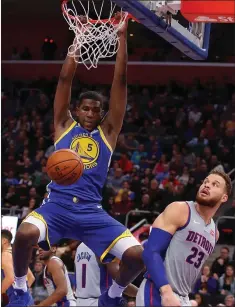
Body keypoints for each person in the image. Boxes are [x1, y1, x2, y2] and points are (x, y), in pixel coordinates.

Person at [8, 14, 143, 307]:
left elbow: (120, 82)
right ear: (77, 110)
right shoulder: (63, 126)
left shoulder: (108, 133)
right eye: (86, 109)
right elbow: (64, 78)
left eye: (97, 110)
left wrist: (121, 39)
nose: (92, 114)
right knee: (26, 233)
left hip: (91, 211)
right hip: (56, 205)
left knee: (137, 256)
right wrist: (78, 39)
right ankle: (19, 288)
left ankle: (114, 295)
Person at [136, 169, 232, 306]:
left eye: (215, 184)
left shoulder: (215, 234)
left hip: (182, 297)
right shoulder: (180, 210)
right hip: (158, 290)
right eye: (206, 182)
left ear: (224, 198)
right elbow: (151, 252)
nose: (207, 185)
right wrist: (166, 292)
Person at [74, 241, 138, 306]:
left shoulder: (80, 246)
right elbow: (120, 281)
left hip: (80, 301)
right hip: (100, 301)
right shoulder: (103, 245)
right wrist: (140, 293)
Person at [1, 230, 35, 303]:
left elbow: (10, 278)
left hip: (17, 300)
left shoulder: (5, 254)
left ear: (4, 241)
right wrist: (23, 293)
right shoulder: (16, 255)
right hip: (27, 299)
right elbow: (31, 277)